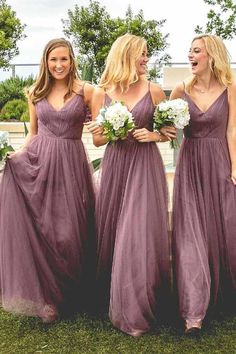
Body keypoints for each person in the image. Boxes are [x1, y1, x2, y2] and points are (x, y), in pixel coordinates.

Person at [0, 38, 96, 322]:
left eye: (63, 59)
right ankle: (49, 300)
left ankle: (73, 292)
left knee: (69, 231)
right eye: (53, 60)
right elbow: (33, 133)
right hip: (40, 164)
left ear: (72, 60)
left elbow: (98, 132)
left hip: (71, 164)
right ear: (45, 61)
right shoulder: (35, 92)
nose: (58, 65)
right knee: (46, 229)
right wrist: (16, 154)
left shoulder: (86, 91)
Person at [86, 33, 173, 336]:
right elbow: (97, 140)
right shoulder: (103, 92)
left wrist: (153, 135)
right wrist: (116, 130)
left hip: (145, 167)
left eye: (148, 53)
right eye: (142, 53)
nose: (147, 58)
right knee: (114, 230)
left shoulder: (155, 91)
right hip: (117, 165)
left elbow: (166, 132)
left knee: (136, 233)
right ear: (126, 55)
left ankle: (135, 309)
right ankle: (114, 296)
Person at [162, 34, 236, 334]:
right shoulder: (181, 89)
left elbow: (233, 130)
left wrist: (235, 166)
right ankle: (193, 312)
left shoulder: (231, 89)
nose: (190, 56)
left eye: (197, 51)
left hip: (220, 163)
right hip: (190, 165)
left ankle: (222, 295)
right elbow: (165, 127)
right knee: (190, 234)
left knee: (225, 230)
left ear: (212, 56)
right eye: (189, 51)